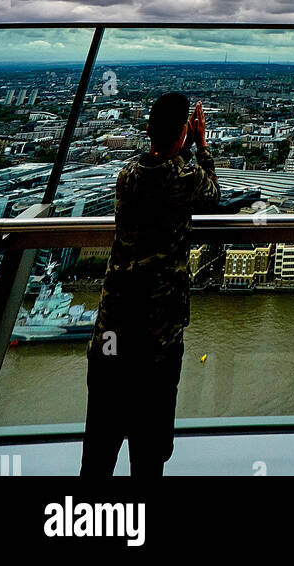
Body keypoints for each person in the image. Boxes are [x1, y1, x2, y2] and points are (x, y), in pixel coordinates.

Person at [80, 93, 220, 477]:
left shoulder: (127, 175)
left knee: (97, 455)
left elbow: (158, 169)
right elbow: (212, 192)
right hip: (157, 341)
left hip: (111, 333)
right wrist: (201, 145)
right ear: (182, 135)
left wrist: (178, 143)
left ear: (148, 130)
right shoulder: (184, 177)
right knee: (148, 459)